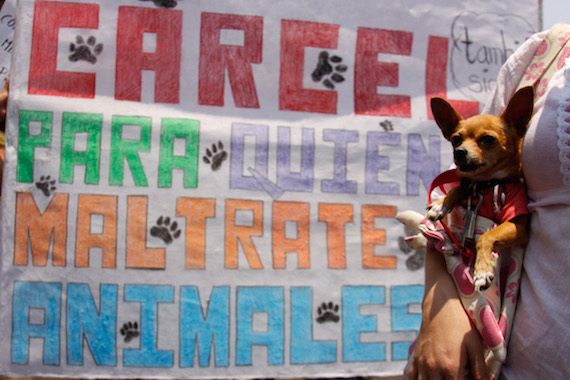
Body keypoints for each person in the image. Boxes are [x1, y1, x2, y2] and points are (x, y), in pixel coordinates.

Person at [406, 23, 570, 380]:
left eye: (486, 142)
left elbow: (519, 229)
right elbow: (457, 187)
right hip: (506, 360)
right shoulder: (548, 54)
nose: (466, 151)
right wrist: (440, 307)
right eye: (457, 140)